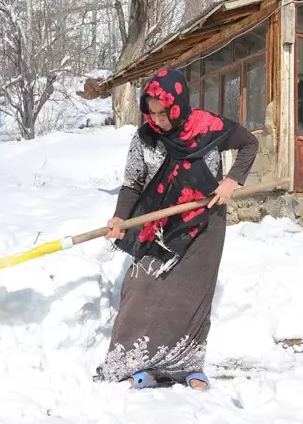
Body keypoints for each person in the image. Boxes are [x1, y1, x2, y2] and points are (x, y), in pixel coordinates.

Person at [93, 68, 259, 390]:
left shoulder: (209, 128)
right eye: (152, 112)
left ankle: (185, 366)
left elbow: (249, 144)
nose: (159, 119)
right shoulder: (144, 138)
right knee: (140, 287)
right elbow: (132, 184)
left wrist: (231, 180)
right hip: (160, 226)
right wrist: (120, 219)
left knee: (192, 296)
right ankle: (131, 363)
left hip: (204, 223)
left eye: (164, 112)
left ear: (178, 104)